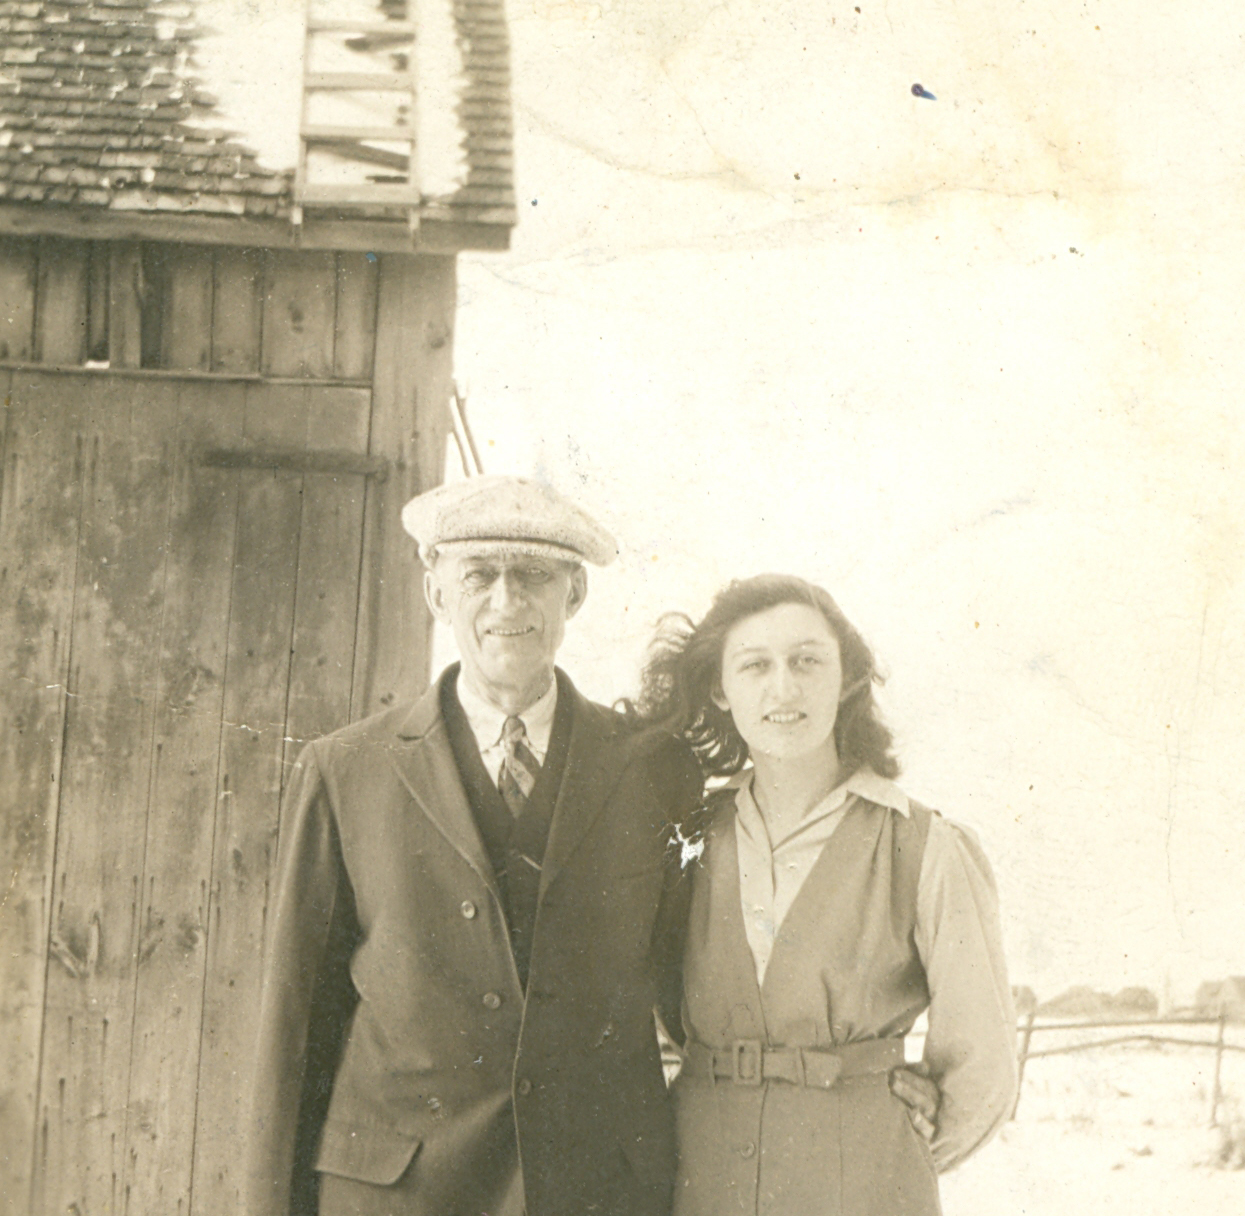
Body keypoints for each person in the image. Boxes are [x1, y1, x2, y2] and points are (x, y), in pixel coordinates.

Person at [244, 475, 702, 1216]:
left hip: (596, 1192)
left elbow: (702, 992)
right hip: (397, 1196)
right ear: (436, 595)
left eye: (533, 576)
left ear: (574, 594)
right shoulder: (346, 769)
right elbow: (295, 1024)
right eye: (479, 575)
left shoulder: (653, 769)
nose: (506, 602)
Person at [627, 574, 1019, 1216]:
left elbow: (983, 1068)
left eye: (808, 661)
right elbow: (672, 1006)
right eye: (755, 665)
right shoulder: (687, 839)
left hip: (863, 1187)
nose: (783, 687)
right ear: (720, 691)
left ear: (847, 679)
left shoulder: (923, 845)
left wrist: (898, 1141)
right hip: (702, 1182)